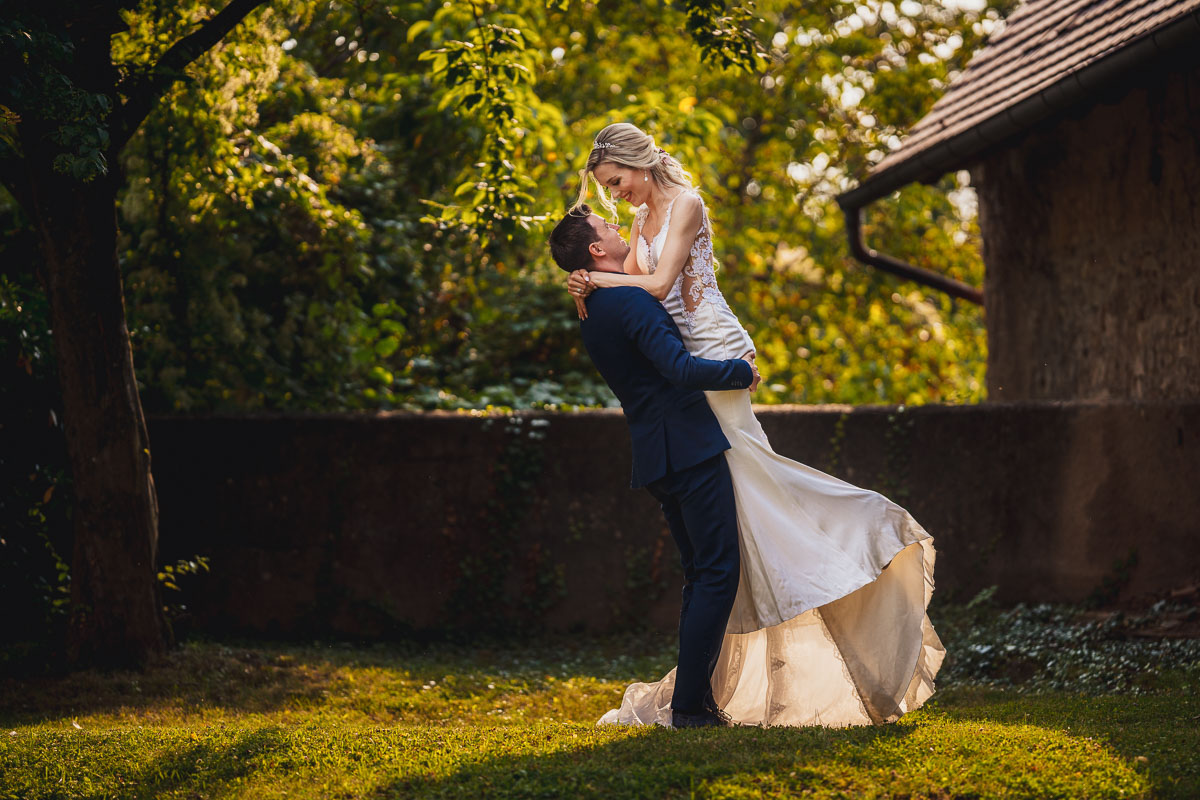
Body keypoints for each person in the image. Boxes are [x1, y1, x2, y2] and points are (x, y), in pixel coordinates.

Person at [564, 122, 945, 728]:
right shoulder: (636, 226)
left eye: (618, 182)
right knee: (745, 506)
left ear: (639, 165)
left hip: (712, 351)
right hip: (686, 365)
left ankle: (856, 537)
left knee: (755, 490)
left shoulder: (685, 204)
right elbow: (638, 295)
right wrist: (593, 274)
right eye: (606, 190)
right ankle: (721, 670)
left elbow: (657, 285)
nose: (617, 198)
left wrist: (594, 277)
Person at [548, 204, 762, 728]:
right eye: (607, 227)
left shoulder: (594, 311)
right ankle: (690, 707)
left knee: (700, 575)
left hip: (656, 454)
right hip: (687, 447)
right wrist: (741, 372)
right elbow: (680, 369)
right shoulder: (628, 302)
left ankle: (694, 701)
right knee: (717, 574)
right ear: (597, 249)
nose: (617, 227)